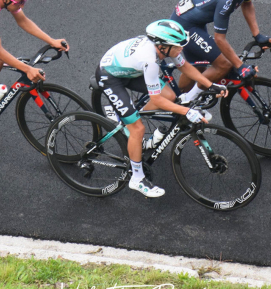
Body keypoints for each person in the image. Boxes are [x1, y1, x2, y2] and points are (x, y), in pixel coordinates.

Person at [96, 20, 227, 198]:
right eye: (178, 46)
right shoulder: (150, 60)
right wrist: (187, 111)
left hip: (130, 70)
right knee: (138, 128)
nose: (181, 48)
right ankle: (137, 178)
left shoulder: (165, 48)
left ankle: (130, 115)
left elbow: (184, 66)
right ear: (163, 47)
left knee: (170, 97)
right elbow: (156, 99)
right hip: (110, 77)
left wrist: (210, 84)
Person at [166, 0, 271, 104]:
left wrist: (257, 35)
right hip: (185, 26)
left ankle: (177, 100)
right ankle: (187, 101)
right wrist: (240, 66)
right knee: (225, 64)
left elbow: (247, 2)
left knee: (197, 66)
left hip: (192, 20)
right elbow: (220, 39)